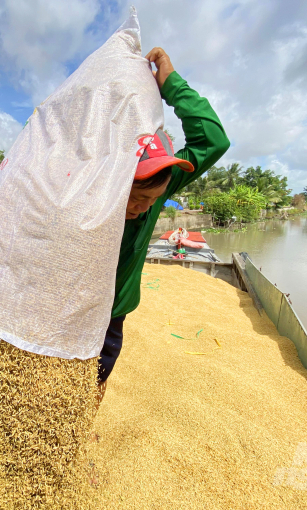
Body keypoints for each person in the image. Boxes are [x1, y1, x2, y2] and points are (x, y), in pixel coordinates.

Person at [96, 47, 230, 405]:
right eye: (135, 199)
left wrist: (171, 84)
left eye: (151, 202)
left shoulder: (162, 180)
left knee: (97, 377)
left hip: (114, 314)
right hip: (75, 312)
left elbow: (214, 141)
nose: (141, 209)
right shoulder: (94, 186)